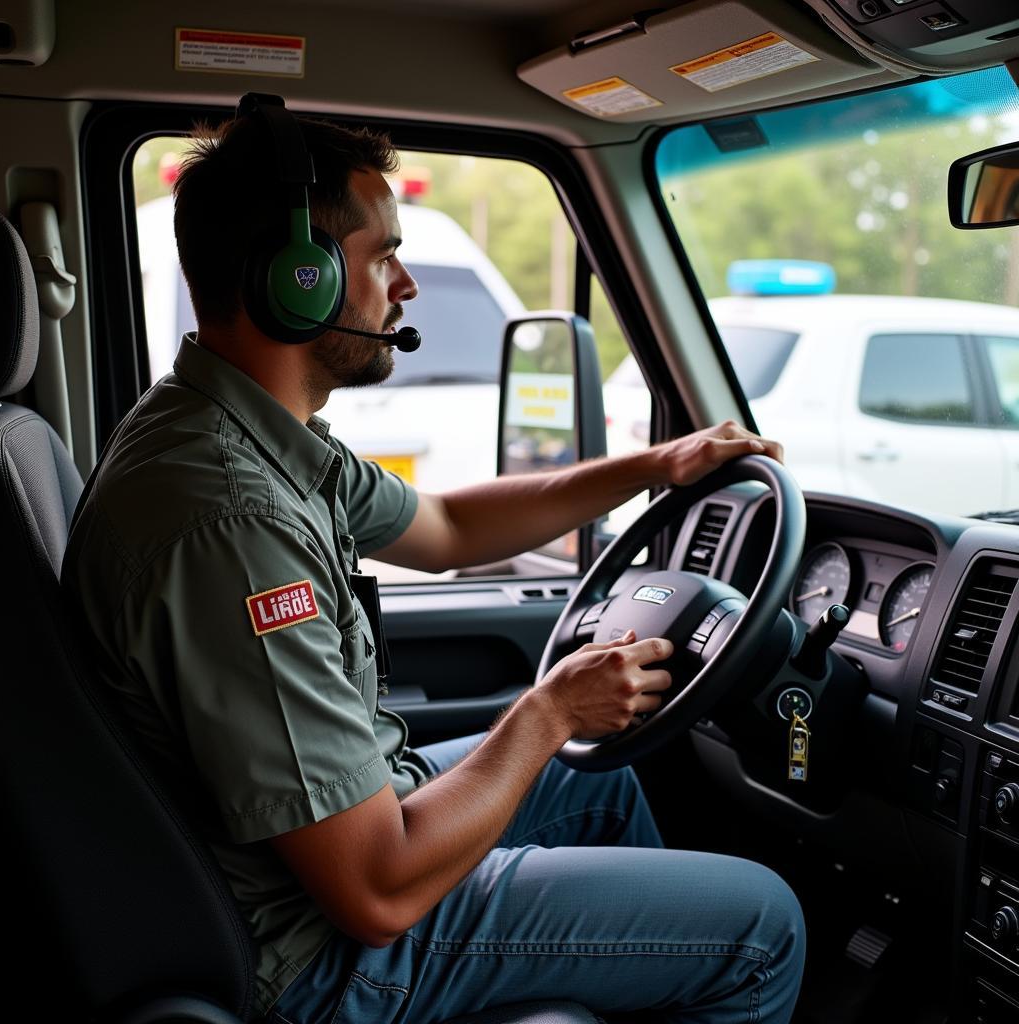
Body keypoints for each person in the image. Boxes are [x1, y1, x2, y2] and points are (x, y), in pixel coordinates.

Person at [63, 100, 805, 1024]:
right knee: (763, 926)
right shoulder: (228, 524)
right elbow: (374, 890)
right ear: (301, 281)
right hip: (317, 960)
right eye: (383, 257)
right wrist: (548, 710)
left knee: (600, 776)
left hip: (327, 861)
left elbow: (449, 526)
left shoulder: (232, 430)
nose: (403, 287)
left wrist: (658, 465)